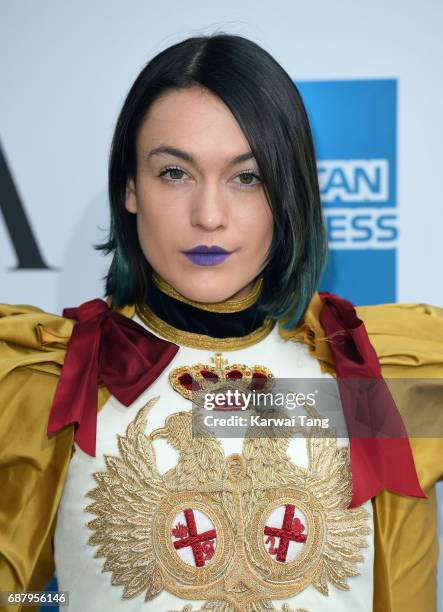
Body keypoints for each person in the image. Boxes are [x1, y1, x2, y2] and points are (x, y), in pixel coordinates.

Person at [0, 33, 442, 612]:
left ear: (289, 192)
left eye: (247, 177)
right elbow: (17, 592)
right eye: (175, 173)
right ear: (130, 187)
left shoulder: (374, 367)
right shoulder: (50, 379)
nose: (209, 215)